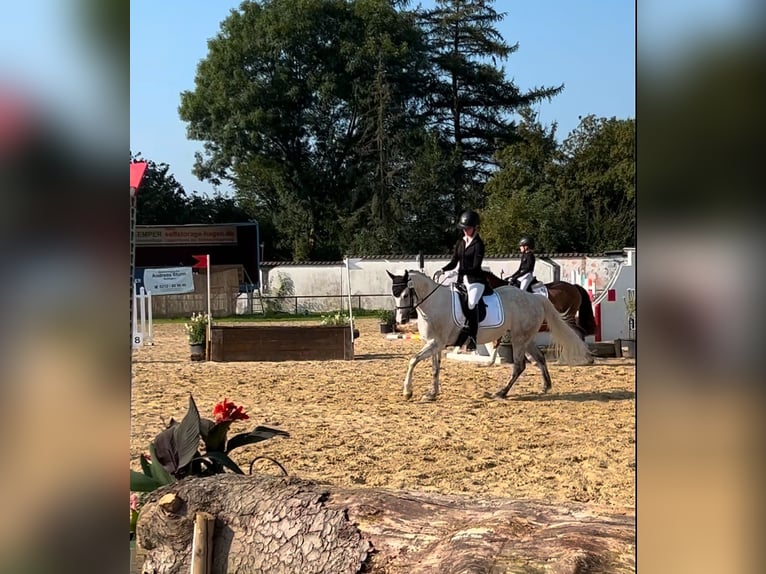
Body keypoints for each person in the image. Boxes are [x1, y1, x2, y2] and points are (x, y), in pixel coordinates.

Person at [434, 210, 485, 353]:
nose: (465, 231)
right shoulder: (460, 243)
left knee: (471, 304)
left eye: (468, 228)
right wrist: (443, 270)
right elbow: (454, 261)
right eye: (464, 228)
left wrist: (458, 271)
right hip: (462, 280)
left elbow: (476, 266)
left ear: (475, 228)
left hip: (475, 281)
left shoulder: (479, 244)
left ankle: (473, 337)